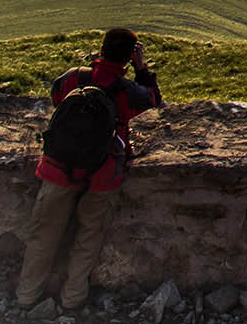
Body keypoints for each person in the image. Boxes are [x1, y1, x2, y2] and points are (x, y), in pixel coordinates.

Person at [16, 28, 164, 316]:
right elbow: (153, 99)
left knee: (43, 234)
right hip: (104, 172)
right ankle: (72, 300)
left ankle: (26, 296)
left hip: (59, 168)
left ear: (101, 48)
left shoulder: (74, 78)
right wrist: (142, 69)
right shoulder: (126, 90)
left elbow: (56, 96)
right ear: (131, 55)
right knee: (88, 236)